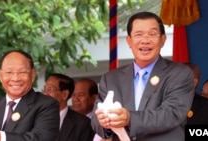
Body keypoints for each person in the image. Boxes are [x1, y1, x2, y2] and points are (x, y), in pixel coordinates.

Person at [91, 11, 194, 141]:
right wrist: (105, 122)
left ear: (163, 40)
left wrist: (129, 118)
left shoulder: (180, 73)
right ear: (129, 41)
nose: (145, 40)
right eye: (138, 34)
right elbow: (95, 120)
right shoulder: (111, 79)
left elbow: (171, 113)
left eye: (152, 34)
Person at [0, 50, 60, 141]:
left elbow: (40, 139)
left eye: (22, 72)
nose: (15, 78)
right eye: (9, 72)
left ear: (33, 75)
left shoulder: (47, 105)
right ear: (0, 76)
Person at [43, 73, 95, 141]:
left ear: (64, 94)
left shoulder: (83, 124)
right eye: (44, 89)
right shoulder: (35, 119)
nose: (44, 93)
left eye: (50, 89)